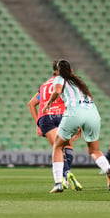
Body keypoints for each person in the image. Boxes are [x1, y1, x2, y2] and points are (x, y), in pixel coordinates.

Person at [42, 60, 110, 193]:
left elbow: (58, 90)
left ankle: (58, 183)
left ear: (58, 71)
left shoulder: (59, 78)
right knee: (94, 150)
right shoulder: (79, 82)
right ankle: (108, 170)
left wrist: (48, 103)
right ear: (71, 70)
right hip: (93, 114)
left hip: (75, 113)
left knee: (58, 147)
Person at [28, 61, 82, 191]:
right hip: (63, 116)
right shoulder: (65, 82)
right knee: (67, 147)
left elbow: (31, 104)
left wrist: (38, 124)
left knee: (57, 148)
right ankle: (67, 174)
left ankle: (60, 181)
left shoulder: (44, 85)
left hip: (46, 118)